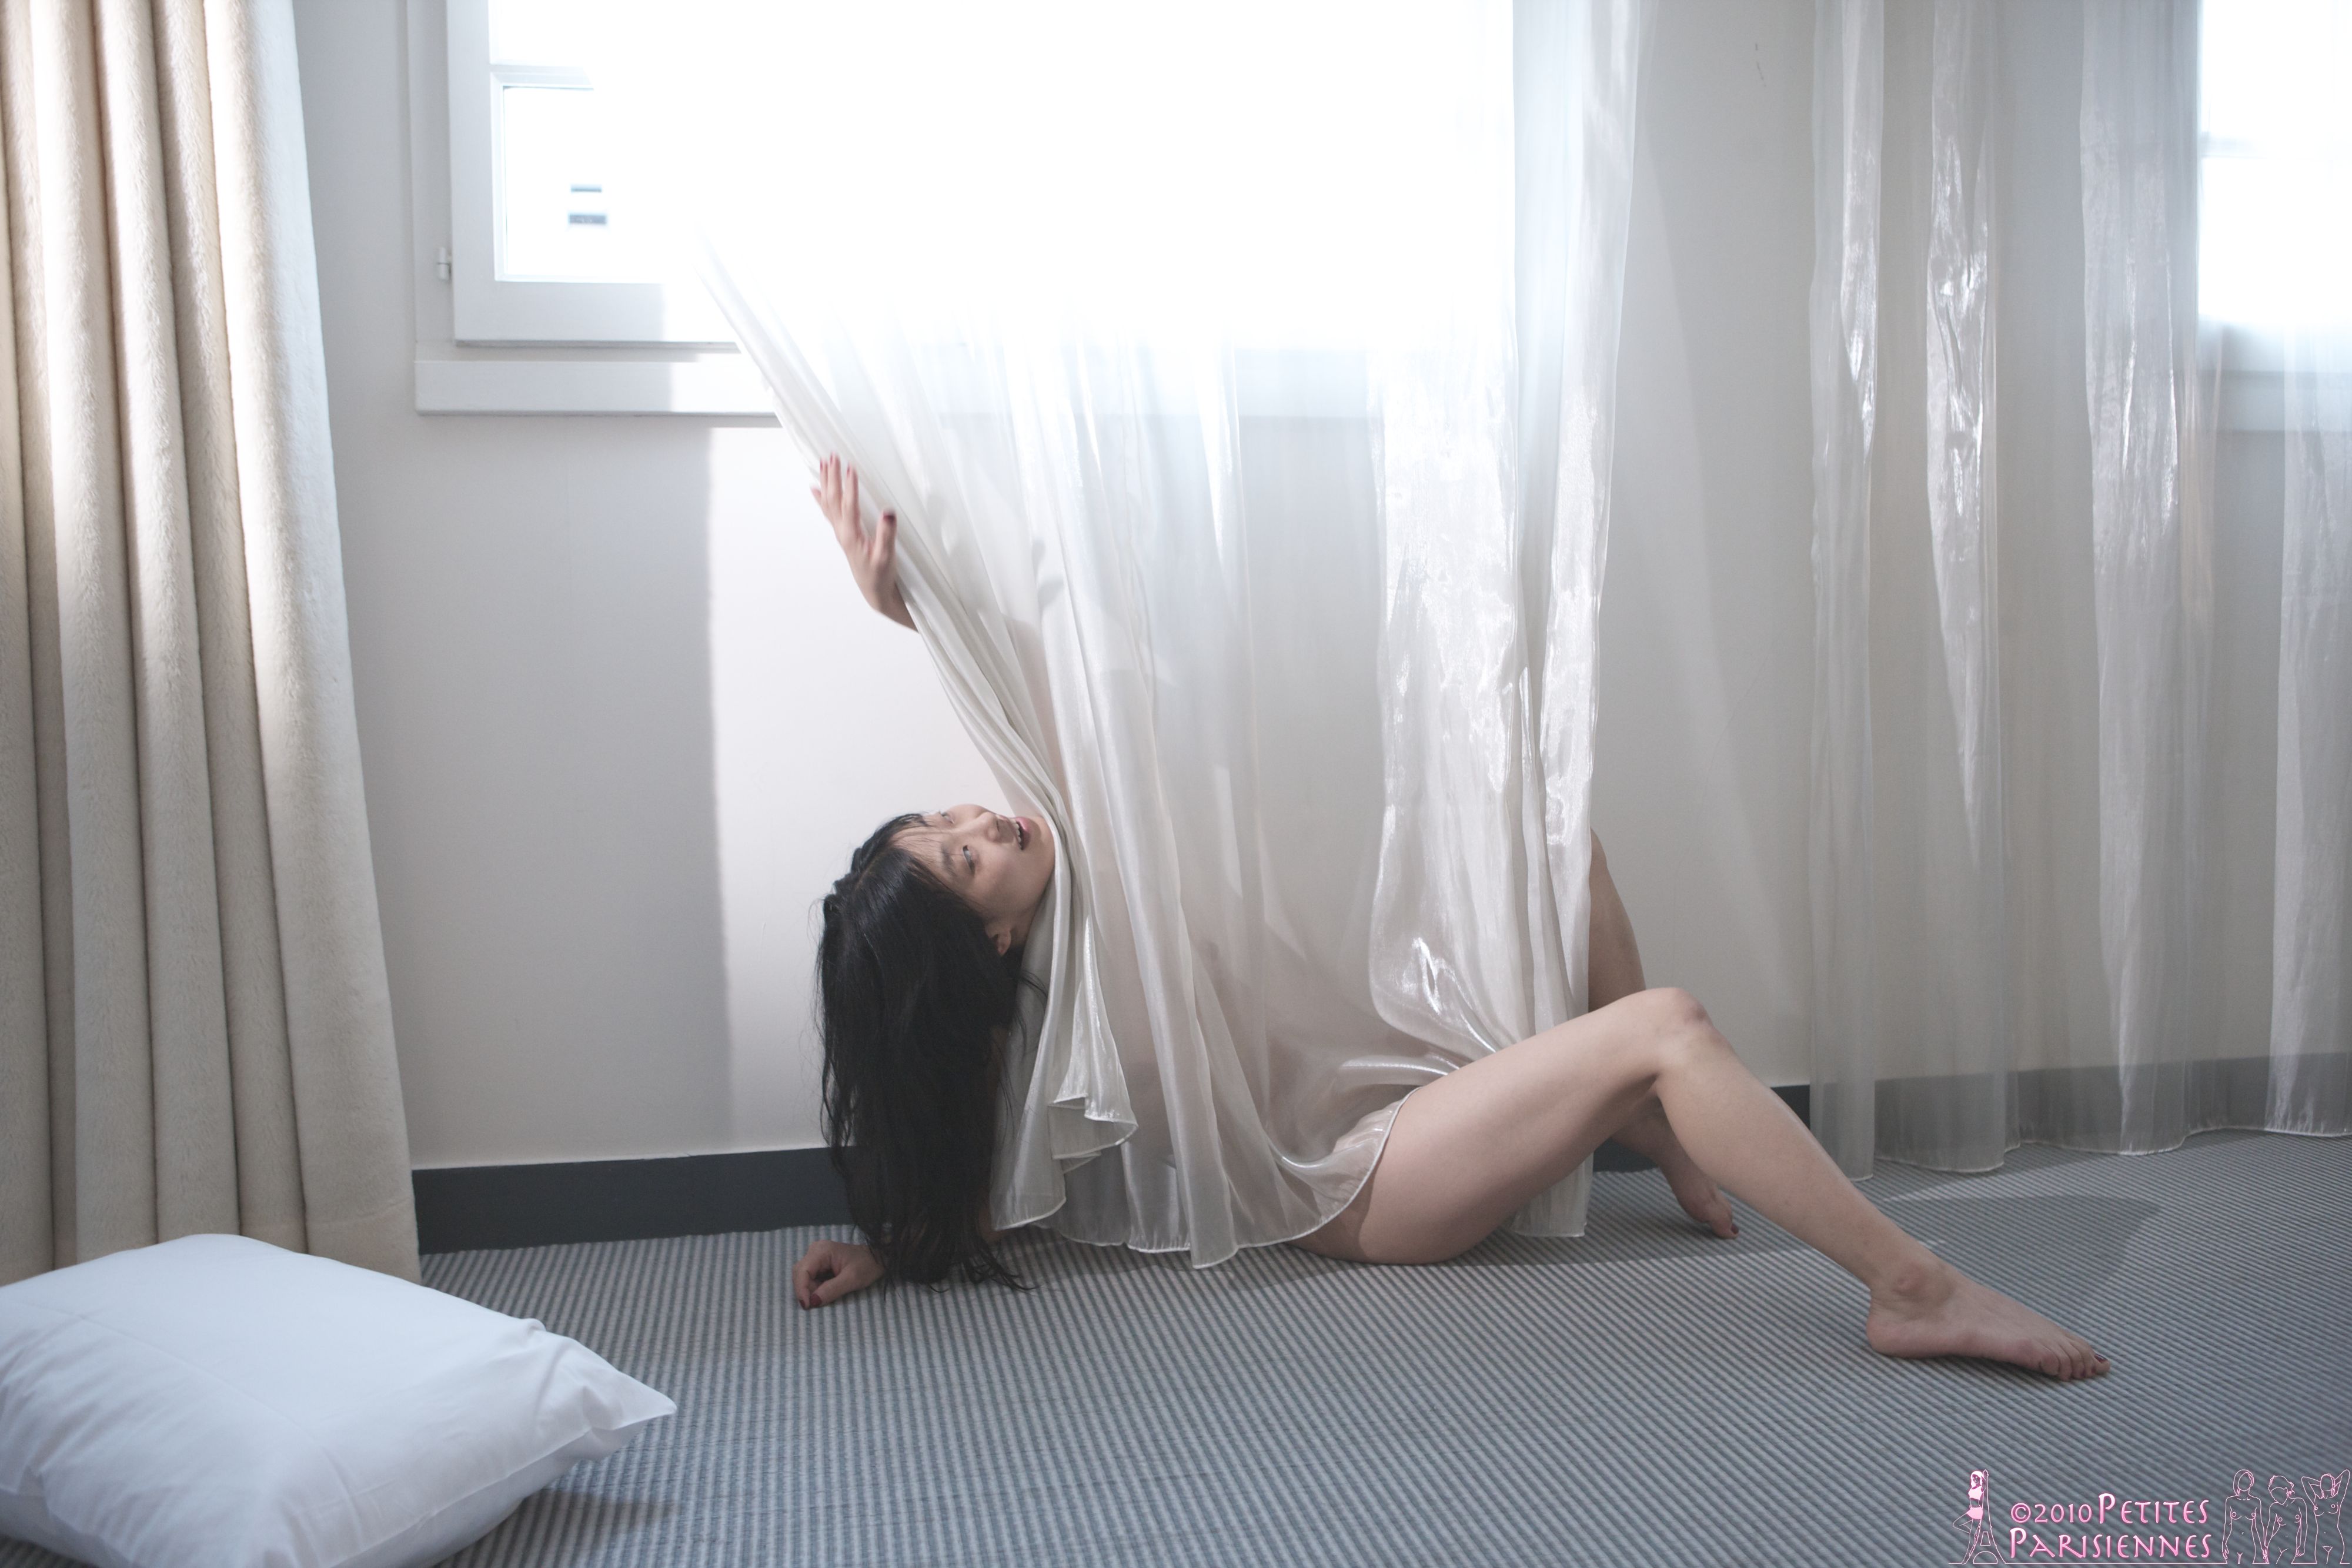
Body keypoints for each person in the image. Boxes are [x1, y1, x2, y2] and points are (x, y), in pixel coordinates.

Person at [788, 456, 2113, 1383]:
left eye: (952, 820)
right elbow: (983, 1154)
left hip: (1411, 1065)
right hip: (1368, 1184)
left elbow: (1028, 687)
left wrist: (901, 604)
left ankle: (1656, 1125)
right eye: (963, 864)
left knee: (1553, 836)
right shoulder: (1055, 1009)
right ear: (990, 943)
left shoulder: (1085, 833)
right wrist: (894, 1249)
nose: (984, 825)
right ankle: (1909, 1287)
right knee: (1669, 1026)